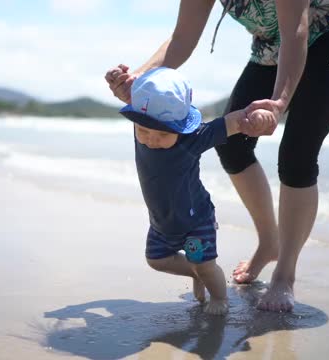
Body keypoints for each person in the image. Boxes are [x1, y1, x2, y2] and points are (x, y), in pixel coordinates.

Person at [106, 0, 329, 312]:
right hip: (272, 43)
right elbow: (181, 39)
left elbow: (296, 33)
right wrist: (136, 80)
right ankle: (269, 242)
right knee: (233, 146)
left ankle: (284, 277)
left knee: (297, 155)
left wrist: (278, 102)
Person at [118, 66, 276, 315]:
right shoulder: (142, 127)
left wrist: (254, 116)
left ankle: (220, 297)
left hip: (195, 222)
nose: (151, 139)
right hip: (162, 223)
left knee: (203, 263)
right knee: (156, 260)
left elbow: (231, 122)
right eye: (144, 130)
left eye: (162, 133)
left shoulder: (194, 139)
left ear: (180, 127)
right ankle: (197, 272)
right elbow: (140, 102)